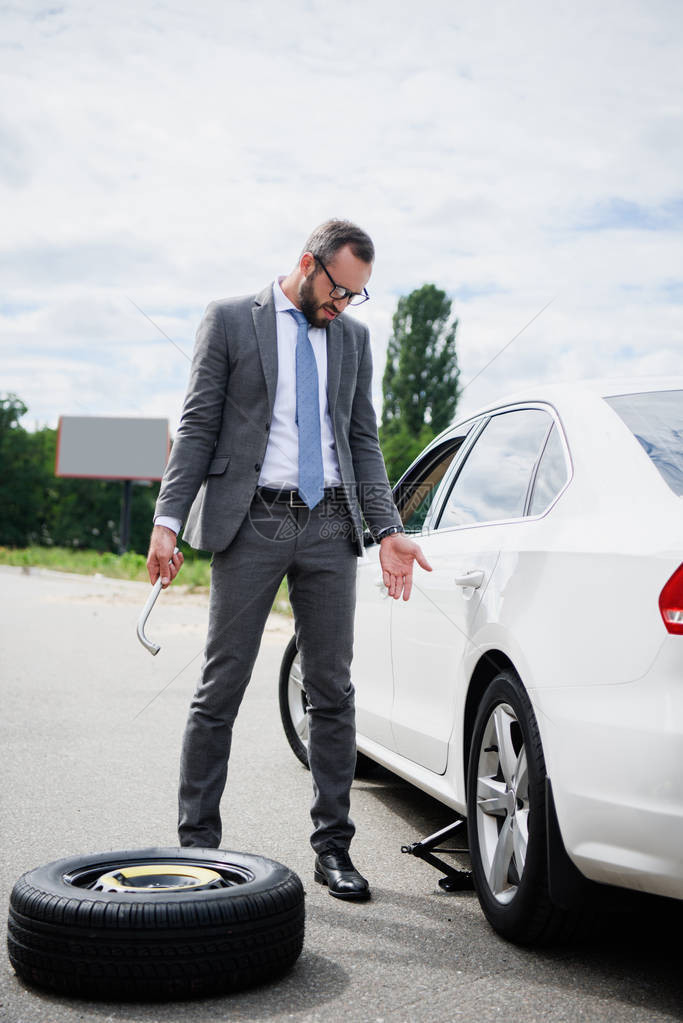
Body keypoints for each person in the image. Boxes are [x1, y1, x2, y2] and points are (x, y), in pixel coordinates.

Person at [146, 219, 431, 900]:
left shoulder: (353, 338)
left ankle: (333, 847)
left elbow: (361, 438)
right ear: (308, 263)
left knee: (331, 689)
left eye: (355, 296)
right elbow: (196, 425)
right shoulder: (229, 320)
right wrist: (167, 518)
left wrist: (387, 525)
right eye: (338, 291)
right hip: (252, 519)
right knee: (223, 686)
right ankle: (199, 849)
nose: (343, 307)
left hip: (332, 523)